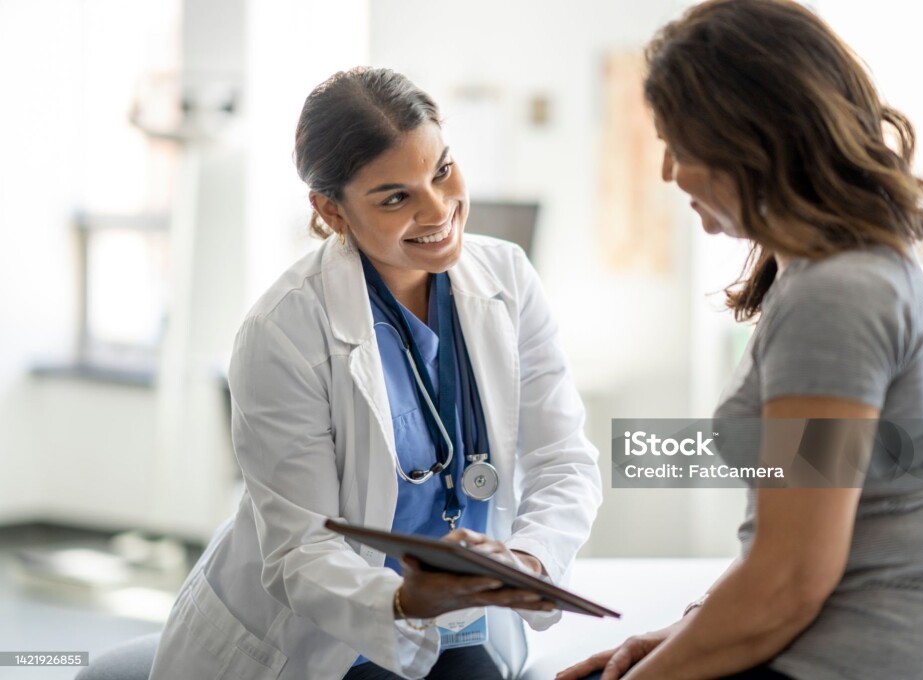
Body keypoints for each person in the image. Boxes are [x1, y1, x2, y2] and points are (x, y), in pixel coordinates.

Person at [558, 0, 923, 678]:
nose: (670, 174)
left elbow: (788, 584)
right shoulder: (820, 276)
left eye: (679, 147)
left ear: (748, 138)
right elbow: (789, 549)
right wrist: (680, 637)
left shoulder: (837, 293)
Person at [149, 67, 602, 680]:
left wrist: (527, 560)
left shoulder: (509, 279)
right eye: (396, 197)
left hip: (467, 627)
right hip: (328, 638)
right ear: (331, 211)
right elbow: (300, 551)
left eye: (441, 170)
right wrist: (405, 599)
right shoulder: (283, 332)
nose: (438, 209)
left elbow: (563, 461)